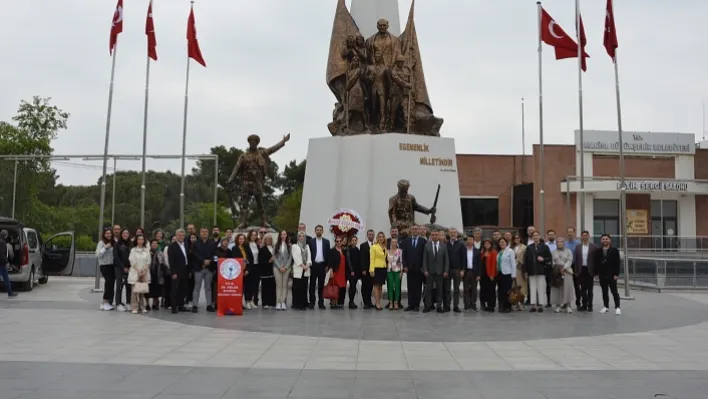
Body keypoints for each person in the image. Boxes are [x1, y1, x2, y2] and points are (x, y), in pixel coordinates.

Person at [524, 231, 552, 313]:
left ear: (539, 236)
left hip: (541, 270)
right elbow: (526, 260)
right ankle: (533, 305)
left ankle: (540, 305)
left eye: (537, 235)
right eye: (534, 235)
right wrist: (525, 271)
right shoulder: (529, 247)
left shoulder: (544, 246)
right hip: (531, 270)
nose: (535, 237)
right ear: (532, 237)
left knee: (541, 288)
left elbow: (550, 257)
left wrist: (544, 259)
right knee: (532, 288)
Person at [422, 230, 449, 313]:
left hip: (440, 272)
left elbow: (446, 260)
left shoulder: (443, 246)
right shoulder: (427, 246)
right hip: (429, 272)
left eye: (436, 235)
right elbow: (424, 259)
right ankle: (428, 306)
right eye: (433, 235)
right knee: (428, 289)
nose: (434, 236)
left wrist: (445, 271)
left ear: (438, 236)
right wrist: (425, 270)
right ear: (431, 236)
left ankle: (439, 306)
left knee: (439, 290)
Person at [595, 234, 621, 315]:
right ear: (601, 240)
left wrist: (616, 274)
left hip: (612, 275)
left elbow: (617, 263)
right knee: (604, 291)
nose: (605, 240)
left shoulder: (614, 250)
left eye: (606, 239)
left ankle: (617, 307)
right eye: (603, 239)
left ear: (609, 240)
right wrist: (597, 274)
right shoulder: (598, 251)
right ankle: (606, 306)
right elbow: (597, 263)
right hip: (602, 274)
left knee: (614, 292)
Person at [401, 224, 426, 311]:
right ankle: (410, 304)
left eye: (416, 229)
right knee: (410, 286)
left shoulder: (423, 241)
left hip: (419, 268)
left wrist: (424, 266)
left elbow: (424, 255)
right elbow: (404, 255)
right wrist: (405, 266)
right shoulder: (406, 241)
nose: (415, 231)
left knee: (418, 287)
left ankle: (416, 305)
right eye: (413, 229)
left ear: (418, 231)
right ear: (411, 230)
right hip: (409, 268)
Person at [192, 228, 216, 313]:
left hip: (209, 268)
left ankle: (209, 305)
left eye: (206, 232)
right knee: (197, 287)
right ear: (200, 233)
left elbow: (215, 254)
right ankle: (195, 305)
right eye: (202, 232)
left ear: (208, 233)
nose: (204, 233)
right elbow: (194, 254)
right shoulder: (196, 243)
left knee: (208, 287)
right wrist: (203, 261)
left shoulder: (212, 243)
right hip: (199, 268)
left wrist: (209, 261)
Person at [573, 230, 597, 311]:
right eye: (583, 235)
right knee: (583, 289)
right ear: (581, 237)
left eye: (586, 235)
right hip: (581, 269)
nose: (584, 237)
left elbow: (596, 260)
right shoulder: (578, 247)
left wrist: (596, 271)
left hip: (589, 270)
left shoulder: (594, 247)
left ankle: (590, 305)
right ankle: (584, 304)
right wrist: (576, 271)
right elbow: (576, 259)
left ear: (588, 236)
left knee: (590, 289)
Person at [167, 229, 190, 314]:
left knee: (182, 289)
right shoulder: (172, 246)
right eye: (179, 235)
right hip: (176, 271)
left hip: (185, 269)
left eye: (182, 235)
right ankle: (173, 307)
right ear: (176, 236)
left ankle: (181, 305)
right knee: (174, 289)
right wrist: (173, 272)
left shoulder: (185, 245)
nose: (181, 237)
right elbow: (171, 261)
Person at [308, 225, 330, 310]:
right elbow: (309, 253)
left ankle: (321, 303)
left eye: (320, 230)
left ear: (322, 231)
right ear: (315, 231)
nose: (319, 231)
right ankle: (312, 302)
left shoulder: (326, 242)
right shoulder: (311, 241)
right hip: (313, 265)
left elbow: (328, 254)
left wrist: (327, 265)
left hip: (322, 266)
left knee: (321, 285)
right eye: (317, 230)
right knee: (312, 285)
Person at [550, 237, 574, 314]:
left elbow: (570, 260)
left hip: (567, 272)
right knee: (558, 289)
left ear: (564, 243)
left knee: (567, 289)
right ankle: (558, 305)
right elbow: (552, 261)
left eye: (561, 242)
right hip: (557, 272)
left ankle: (568, 306)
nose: (559, 243)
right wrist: (557, 267)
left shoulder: (568, 251)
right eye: (558, 242)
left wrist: (564, 268)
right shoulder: (553, 252)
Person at [128, 235, 151, 314]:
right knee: (135, 291)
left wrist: (144, 271)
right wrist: (138, 271)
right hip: (135, 272)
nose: (141, 241)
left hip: (144, 272)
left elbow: (148, 261)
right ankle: (134, 307)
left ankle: (142, 306)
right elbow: (132, 261)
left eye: (142, 239)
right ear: (136, 241)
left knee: (142, 290)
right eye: (139, 239)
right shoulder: (133, 250)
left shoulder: (146, 250)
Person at [445, 228, 464, 313]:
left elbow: (463, 258)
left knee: (456, 289)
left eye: (454, 232)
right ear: (449, 234)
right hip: (448, 269)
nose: (453, 234)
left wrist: (462, 270)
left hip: (457, 269)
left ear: (457, 234)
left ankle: (456, 306)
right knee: (447, 289)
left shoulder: (461, 244)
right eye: (451, 232)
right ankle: (447, 305)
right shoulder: (445, 244)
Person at [291, 231, 312, 311]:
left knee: (304, 288)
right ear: (298, 237)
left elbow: (309, 257)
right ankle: (297, 304)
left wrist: (307, 265)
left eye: (303, 236)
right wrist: (303, 266)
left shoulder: (307, 246)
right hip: (298, 269)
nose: (301, 237)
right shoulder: (294, 246)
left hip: (306, 269)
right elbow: (296, 258)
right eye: (300, 236)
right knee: (297, 288)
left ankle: (303, 304)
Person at [113, 229, 132, 312]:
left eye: (127, 233)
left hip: (130, 268)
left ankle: (128, 302)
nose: (125, 234)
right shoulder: (117, 244)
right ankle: (118, 303)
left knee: (129, 285)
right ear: (121, 234)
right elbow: (116, 257)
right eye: (124, 233)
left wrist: (130, 266)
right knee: (119, 285)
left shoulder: (131, 244)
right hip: (119, 267)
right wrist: (123, 267)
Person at [95, 229, 114, 310]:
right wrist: (105, 248)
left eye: (110, 233)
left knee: (111, 284)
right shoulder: (101, 243)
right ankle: (104, 301)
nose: (109, 235)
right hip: (104, 265)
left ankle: (109, 302)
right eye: (107, 233)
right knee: (108, 283)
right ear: (104, 234)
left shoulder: (113, 243)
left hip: (112, 265)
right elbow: (97, 254)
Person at [369, 232, 388, 311]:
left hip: (383, 268)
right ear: (377, 238)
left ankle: (379, 302)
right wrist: (371, 269)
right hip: (376, 268)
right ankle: (377, 303)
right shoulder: (374, 247)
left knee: (380, 287)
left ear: (384, 238)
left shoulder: (385, 247)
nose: (381, 238)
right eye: (379, 237)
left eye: (382, 237)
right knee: (376, 287)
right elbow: (372, 259)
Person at [497, 237, 516, 313]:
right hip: (500, 274)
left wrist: (513, 275)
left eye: (503, 242)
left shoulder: (510, 251)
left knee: (507, 291)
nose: (502, 243)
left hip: (508, 274)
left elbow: (513, 263)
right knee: (501, 291)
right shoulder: (499, 252)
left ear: (506, 243)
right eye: (500, 242)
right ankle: (501, 306)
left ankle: (508, 306)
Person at [273, 231, 292, 310]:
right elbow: (274, 257)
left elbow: (290, 257)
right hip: (277, 268)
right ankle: (278, 302)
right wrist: (279, 267)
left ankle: (283, 302)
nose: (283, 235)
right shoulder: (276, 245)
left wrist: (286, 267)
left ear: (286, 235)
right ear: (280, 236)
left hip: (286, 268)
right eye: (282, 234)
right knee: (279, 285)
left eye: (285, 234)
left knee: (285, 285)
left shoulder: (290, 245)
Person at [327, 236, 347, 309]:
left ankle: (340, 303)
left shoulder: (344, 250)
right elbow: (330, 261)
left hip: (343, 272)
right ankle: (333, 303)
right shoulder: (332, 250)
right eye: (337, 241)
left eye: (340, 241)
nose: (339, 242)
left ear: (342, 242)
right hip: (336, 271)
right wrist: (331, 270)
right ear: (335, 242)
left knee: (342, 287)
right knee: (334, 287)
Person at [461, 235, 480, 312]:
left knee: (474, 289)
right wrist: (462, 270)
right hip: (466, 272)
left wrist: (479, 274)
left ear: (473, 241)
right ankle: (466, 305)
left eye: (471, 240)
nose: (470, 241)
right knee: (465, 289)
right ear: (466, 241)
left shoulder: (477, 251)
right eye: (468, 240)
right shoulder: (463, 250)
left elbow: (479, 264)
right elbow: (461, 261)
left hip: (474, 272)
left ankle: (473, 305)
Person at [147, 238, 167, 310]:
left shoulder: (160, 253)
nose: (154, 245)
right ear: (150, 244)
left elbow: (164, 263)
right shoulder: (147, 253)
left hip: (158, 274)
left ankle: (155, 304)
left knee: (157, 290)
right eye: (153, 243)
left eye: (156, 243)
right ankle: (147, 304)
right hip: (148, 273)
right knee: (148, 290)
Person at [258, 234, 277, 309]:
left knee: (272, 287)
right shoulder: (262, 249)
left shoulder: (274, 248)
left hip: (273, 271)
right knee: (265, 288)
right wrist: (269, 261)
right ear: (264, 240)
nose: (268, 240)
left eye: (270, 239)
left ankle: (272, 302)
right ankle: (265, 303)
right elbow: (260, 260)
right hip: (265, 271)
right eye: (267, 239)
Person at [479, 239, 498, 312]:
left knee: (491, 290)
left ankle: (491, 306)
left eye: (488, 244)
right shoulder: (482, 253)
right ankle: (484, 304)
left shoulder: (493, 252)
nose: (487, 245)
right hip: (483, 275)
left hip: (490, 274)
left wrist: (492, 274)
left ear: (491, 245)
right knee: (484, 290)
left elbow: (494, 265)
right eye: (485, 244)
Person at [359, 229, 376, 310]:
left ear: (374, 235)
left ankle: (370, 302)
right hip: (365, 270)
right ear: (367, 235)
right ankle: (365, 303)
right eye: (369, 235)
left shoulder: (376, 245)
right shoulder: (363, 245)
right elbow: (362, 258)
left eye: (372, 235)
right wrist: (363, 269)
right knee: (365, 287)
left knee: (370, 287)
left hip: (373, 270)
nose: (371, 236)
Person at [511, 234, 527, 311]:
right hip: (512, 268)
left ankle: (522, 303)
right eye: (515, 238)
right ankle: (516, 303)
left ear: (520, 239)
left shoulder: (524, 247)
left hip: (520, 268)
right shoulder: (511, 247)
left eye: (518, 238)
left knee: (521, 286)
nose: (516, 239)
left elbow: (525, 258)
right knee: (514, 286)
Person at [245, 230, 260, 309]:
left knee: (255, 285)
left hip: (256, 266)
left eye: (255, 235)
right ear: (249, 235)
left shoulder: (257, 244)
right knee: (248, 284)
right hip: (249, 267)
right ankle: (247, 300)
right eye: (252, 235)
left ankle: (251, 301)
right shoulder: (246, 244)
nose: (254, 236)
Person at [386, 238, 403, 310]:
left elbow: (401, 262)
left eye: (395, 242)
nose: (393, 243)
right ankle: (390, 302)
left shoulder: (400, 251)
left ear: (397, 243)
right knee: (390, 286)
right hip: (389, 271)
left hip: (397, 271)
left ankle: (396, 302)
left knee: (397, 286)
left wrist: (401, 272)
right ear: (390, 243)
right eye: (392, 242)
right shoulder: (387, 251)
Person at [345, 235, 361, 309]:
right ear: (350, 241)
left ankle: (352, 301)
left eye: (355, 240)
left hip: (356, 271)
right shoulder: (348, 249)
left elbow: (359, 261)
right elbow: (348, 260)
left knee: (354, 286)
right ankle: (351, 301)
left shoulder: (357, 249)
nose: (354, 242)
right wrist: (351, 270)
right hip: (351, 271)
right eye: (353, 240)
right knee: (352, 286)